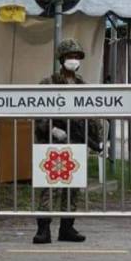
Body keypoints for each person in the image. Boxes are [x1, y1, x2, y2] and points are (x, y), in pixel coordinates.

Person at [33, 38, 103, 244]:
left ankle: (67, 227)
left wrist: (97, 140)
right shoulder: (48, 83)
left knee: (73, 187)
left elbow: (91, 115)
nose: (73, 60)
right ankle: (43, 229)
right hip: (53, 143)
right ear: (61, 59)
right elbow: (38, 112)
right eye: (70, 56)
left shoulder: (82, 85)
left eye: (76, 57)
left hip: (76, 143)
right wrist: (52, 128)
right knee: (49, 185)